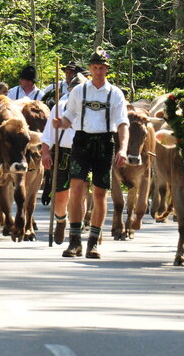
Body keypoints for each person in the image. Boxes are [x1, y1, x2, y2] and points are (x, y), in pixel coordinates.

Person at [53, 47, 129, 259]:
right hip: (82, 141)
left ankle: (93, 242)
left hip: (105, 142)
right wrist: (62, 123)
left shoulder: (115, 94)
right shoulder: (79, 92)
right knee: (76, 188)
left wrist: (122, 148)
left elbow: (123, 123)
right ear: (90, 68)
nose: (98, 71)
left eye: (101, 68)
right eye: (94, 67)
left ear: (106, 70)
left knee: (99, 193)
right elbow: (69, 117)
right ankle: (74, 241)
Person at [41, 73, 87, 244]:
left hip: (83, 153)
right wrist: (45, 153)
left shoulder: (90, 108)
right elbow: (47, 134)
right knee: (60, 196)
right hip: (63, 154)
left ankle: (77, 229)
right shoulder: (59, 107)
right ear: (69, 90)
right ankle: (61, 221)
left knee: (79, 194)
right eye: (75, 89)